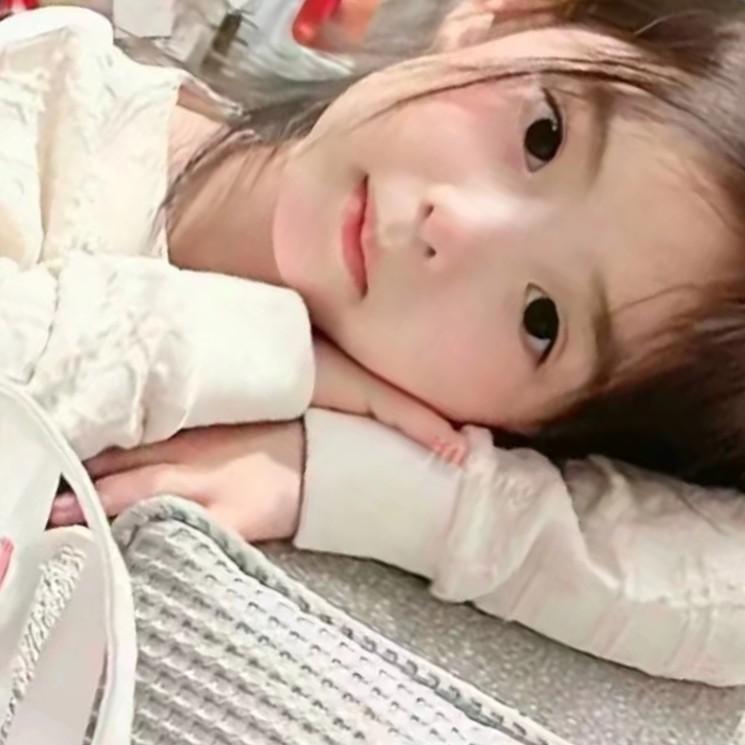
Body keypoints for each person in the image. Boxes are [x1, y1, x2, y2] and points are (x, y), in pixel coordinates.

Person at [3, 0, 745, 687]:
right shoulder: (50, 92)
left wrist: (401, 489)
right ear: (509, 17)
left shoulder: (286, 441)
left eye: (541, 321)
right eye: (542, 137)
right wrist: (280, 356)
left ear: (540, 430)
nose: (455, 226)